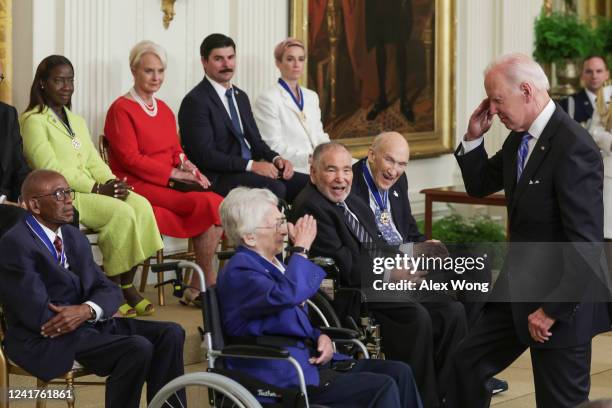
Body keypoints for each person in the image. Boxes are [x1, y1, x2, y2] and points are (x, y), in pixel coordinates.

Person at [452, 53, 611, 407]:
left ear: (525, 90)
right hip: (517, 291)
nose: (492, 109)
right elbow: (479, 184)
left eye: (497, 99)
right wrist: (474, 138)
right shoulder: (519, 137)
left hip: (560, 302)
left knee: (559, 403)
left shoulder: (574, 148)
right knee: (467, 363)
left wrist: (552, 309)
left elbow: (585, 244)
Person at [291, 142, 467, 408]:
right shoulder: (311, 206)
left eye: (346, 170)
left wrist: (405, 262)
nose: (341, 178)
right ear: (313, 172)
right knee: (416, 317)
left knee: (451, 310)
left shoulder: (352, 201)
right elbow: (345, 266)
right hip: (354, 293)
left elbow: (377, 246)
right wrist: (390, 274)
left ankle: (447, 394)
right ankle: (422, 399)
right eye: (331, 170)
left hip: (382, 280)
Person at [216, 186, 423, 408]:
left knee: (400, 371)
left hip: (310, 360)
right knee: (381, 386)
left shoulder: (273, 264)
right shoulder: (240, 271)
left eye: (282, 220)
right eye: (276, 224)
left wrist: (320, 336)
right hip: (281, 375)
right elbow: (289, 296)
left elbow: (284, 318)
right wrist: (301, 249)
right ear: (249, 237)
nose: (286, 229)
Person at [0, 170, 185, 408]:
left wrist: (86, 310)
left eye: (69, 192)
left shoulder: (71, 235)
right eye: (59, 194)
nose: (68, 200)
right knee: (136, 348)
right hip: (45, 338)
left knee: (171, 333)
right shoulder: (16, 244)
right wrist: (84, 313)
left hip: (87, 324)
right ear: (35, 205)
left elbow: (109, 289)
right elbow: (38, 315)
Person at [351, 131, 507, 395]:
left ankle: (464, 367)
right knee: (452, 308)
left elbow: (408, 231)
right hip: (389, 271)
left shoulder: (398, 182)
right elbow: (370, 249)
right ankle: (454, 375)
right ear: (372, 154)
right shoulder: (351, 185)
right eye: (390, 161)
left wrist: (425, 245)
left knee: (477, 268)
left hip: (410, 256)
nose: (395, 171)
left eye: (402, 164)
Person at [20, 55, 163, 317]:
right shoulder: (33, 120)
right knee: (121, 212)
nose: (66, 86)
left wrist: (110, 182)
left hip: (92, 188)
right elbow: (50, 168)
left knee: (140, 204)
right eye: (58, 80)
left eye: (70, 80)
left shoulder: (76, 120)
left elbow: (92, 160)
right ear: (42, 84)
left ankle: (126, 282)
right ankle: (114, 286)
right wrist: (96, 188)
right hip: (64, 195)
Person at [104, 40, 224, 293]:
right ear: (134, 70)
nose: (156, 77)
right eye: (149, 71)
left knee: (216, 205)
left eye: (160, 71)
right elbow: (130, 159)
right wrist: (174, 173)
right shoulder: (121, 109)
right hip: (136, 185)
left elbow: (175, 151)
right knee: (210, 204)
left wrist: (189, 167)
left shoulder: (165, 110)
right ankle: (205, 282)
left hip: (169, 182)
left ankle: (198, 282)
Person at [178, 33, 309, 202]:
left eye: (231, 57)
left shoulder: (241, 96)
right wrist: (252, 166)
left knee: (308, 184)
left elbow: (256, 142)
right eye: (219, 59)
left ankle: (299, 228)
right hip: (219, 177)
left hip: (247, 170)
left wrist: (277, 159)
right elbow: (205, 155)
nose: (227, 64)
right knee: (276, 188)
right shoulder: (195, 101)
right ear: (204, 61)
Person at [253, 37, 330, 174]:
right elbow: (272, 145)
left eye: (301, 59)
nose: (296, 64)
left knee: (357, 168)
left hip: (319, 163)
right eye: (290, 59)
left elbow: (319, 134)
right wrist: (309, 158)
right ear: (278, 63)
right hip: (294, 167)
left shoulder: (311, 96)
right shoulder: (268, 98)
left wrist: (330, 152)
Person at [0, 61, 30, 235]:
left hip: (11, 200)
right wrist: (3, 200)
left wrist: (25, 196)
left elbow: (20, 166)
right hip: (5, 204)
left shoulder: (8, 114)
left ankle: (63, 263)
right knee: (20, 217)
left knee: (62, 213)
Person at [560, 55, 610, 125]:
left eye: (599, 71)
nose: (594, 76)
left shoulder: (609, 101)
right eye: (589, 71)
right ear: (582, 74)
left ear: (607, 74)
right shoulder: (569, 103)